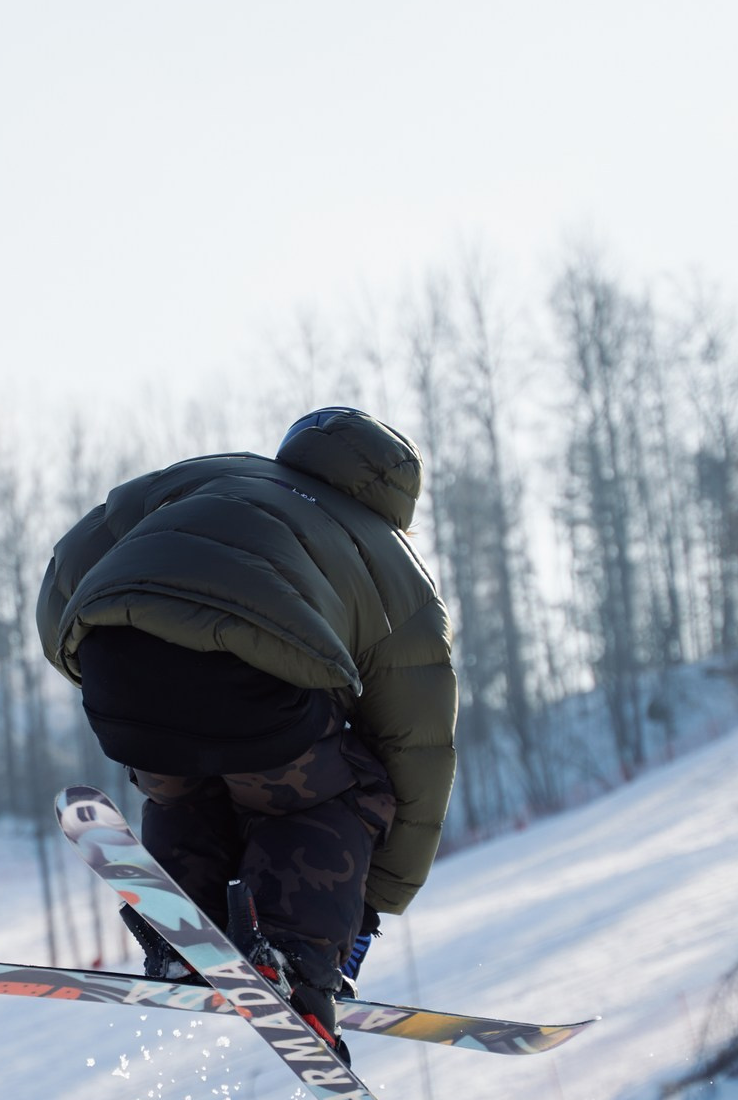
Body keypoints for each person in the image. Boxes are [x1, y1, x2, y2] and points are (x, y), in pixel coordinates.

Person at [36, 407, 458, 1061]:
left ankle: (183, 939)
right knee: (326, 793)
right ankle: (291, 958)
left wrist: (87, 661)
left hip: (118, 676)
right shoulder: (393, 564)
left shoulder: (215, 473)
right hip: (253, 690)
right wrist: (374, 899)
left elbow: (69, 564)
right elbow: (417, 749)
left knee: (189, 788)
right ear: (397, 498)